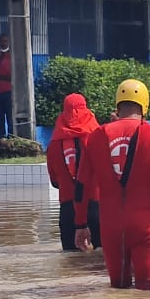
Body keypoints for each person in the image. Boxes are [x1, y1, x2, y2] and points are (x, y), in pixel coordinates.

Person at [73, 79, 150, 290]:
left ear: (118, 104)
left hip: (112, 226)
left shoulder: (96, 137)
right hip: (145, 225)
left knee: (118, 289)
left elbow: (81, 186)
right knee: (147, 292)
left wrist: (80, 225)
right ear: (144, 104)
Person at [46, 93, 101, 252]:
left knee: (70, 261)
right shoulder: (97, 138)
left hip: (68, 208)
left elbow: (55, 182)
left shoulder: (54, 145)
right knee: (101, 261)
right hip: (96, 206)